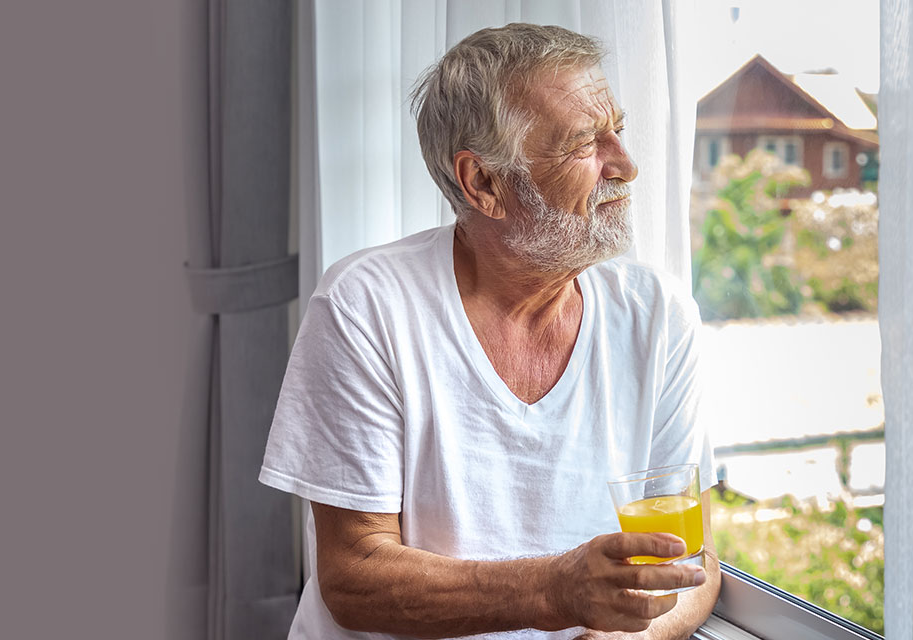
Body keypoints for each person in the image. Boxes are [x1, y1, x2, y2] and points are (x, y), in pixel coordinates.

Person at [259, 23, 720, 640]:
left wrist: (621, 637)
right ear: (484, 183)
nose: (626, 166)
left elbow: (694, 563)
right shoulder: (364, 305)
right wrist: (556, 591)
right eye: (585, 143)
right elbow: (354, 575)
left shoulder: (657, 315)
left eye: (619, 130)